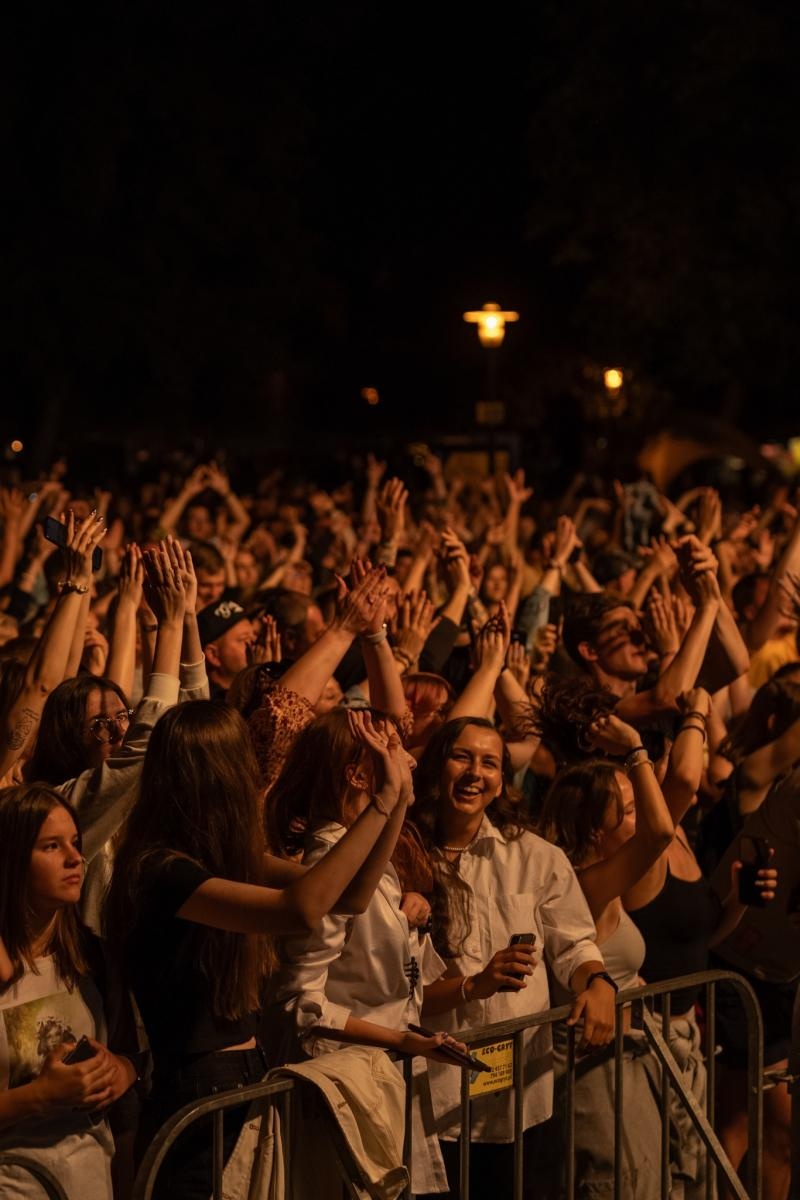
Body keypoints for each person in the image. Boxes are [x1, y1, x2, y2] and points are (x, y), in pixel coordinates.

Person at [104, 702, 415, 1200]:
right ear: (219, 773)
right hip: (196, 1085)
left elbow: (350, 896)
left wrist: (397, 799)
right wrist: (381, 800)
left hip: (242, 1075)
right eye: (243, 762)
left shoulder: (220, 857)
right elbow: (302, 910)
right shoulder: (160, 870)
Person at [411, 716, 615, 1198]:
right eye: (462, 756)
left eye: (490, 763)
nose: (474, 773)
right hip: (430, 1095)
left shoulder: (535, 856)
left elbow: (576, 944)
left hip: (518, 1100)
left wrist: (599, 983)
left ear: (503, 780)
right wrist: (476, 984)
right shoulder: (403, 852)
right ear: (437, 764)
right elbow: (396, 986)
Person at [539, 713, 674, 1198]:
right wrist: (634, 747)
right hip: (590, 1079)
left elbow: (663, 826)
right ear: (596, 830)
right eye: (630, 810)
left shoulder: (611, 883)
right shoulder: (584, 886)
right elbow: (659, 834)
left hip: (624, 1067)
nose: (642, 818)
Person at [0, 784, 138, 1199]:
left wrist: (121, 1071)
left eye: (75, 843)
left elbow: (133, 1054)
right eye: (51, 846)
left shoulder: (90, 956)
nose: (76, 858)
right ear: (10, 860)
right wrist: (39, 1097)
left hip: (88, 1181)